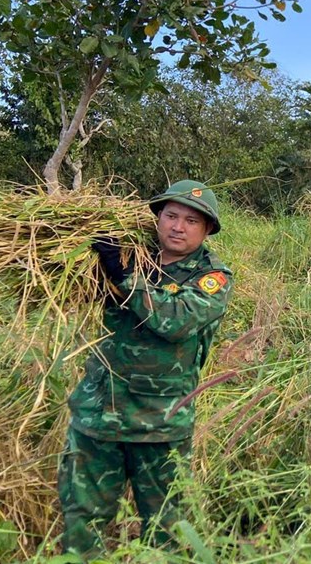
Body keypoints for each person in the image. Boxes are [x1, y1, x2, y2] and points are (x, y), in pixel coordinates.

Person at [58, 180, 232, 558]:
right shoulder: (131, 254)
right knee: (81, 519)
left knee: (166, 528)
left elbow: (177, 321)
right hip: (97, 413)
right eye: (171, 216)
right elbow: (71, 291)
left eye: (191, 221)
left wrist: (125, 278)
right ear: (158, 218)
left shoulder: (212, 277)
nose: (178, 227)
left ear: (206, 230)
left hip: (159, 424)